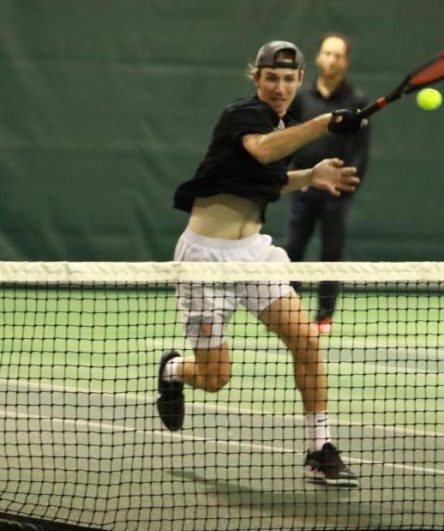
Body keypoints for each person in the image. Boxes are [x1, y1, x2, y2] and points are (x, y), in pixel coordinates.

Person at [156, 40, 364, 487]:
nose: (280, 87)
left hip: (254, 254)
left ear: (299, 80)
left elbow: (264, 179)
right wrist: (327, 122)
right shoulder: (244, 115)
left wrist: (310, 177)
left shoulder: (283, 124)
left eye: (290, 79)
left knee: (306, 339)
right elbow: (263, 152)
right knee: (215, 378)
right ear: (256, 79)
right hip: (205, 260)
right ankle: (173, 370)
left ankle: (319, 449)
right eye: (272, 78)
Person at [284, 34, 370, 335]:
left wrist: (348, 182)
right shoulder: (301, 97)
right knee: (293, 249)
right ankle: (287, 310)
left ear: (345, 62)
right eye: (327, 53)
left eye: (338, 55)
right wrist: (297, 178)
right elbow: (287, 138)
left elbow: (361, 149)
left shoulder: (356, 101)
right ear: (319, 58)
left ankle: (324, 316)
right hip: (304, 188)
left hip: (337, 192)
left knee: (332, 252)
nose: (331, 59)